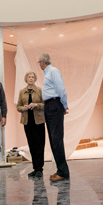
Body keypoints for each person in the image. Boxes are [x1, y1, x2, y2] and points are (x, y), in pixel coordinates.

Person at [37, 53, 69, 181]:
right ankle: (61, 170)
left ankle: (63, 172)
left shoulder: (53, 71)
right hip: (49, 106)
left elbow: (61, 89)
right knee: (53, 139)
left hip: (54, 105)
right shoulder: (47, 73)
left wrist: (64, 105)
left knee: (56, 139)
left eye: (39, 62)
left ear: (43, 62)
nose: (39, 65)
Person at [16, 71, 46, 178]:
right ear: (26, 79)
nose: (31, 79)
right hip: (27, 122)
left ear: (35, 79)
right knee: (32, 145)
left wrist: (36, 105)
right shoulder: (22, 92)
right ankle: (35, 168)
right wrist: (23, 108)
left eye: (33, 77)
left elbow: (45, 105)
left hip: (38, 121)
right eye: (29, 77)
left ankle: (40, 169)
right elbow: (18, 107)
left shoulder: (39, 91)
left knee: (39, 145)